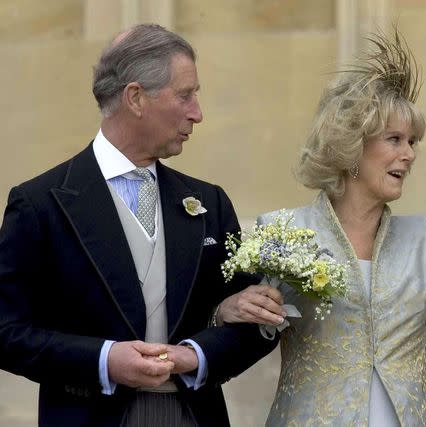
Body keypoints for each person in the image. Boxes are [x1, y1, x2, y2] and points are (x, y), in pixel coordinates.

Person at [217, 31, 426, 426]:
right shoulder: (282, 231)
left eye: (412, 141)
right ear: (350, 147)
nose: (409, 154)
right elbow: (238, 329)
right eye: (394, 139)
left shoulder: (423, 238)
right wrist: (228, 310)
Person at [0, 24, 282, 427]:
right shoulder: (40, 203)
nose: (197, 113)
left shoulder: (210, 202)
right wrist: (104, 360)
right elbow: (7, 331)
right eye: (185, 95)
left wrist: (196, 355)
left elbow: (255, 322)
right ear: (135, 97)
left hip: (193, 415)